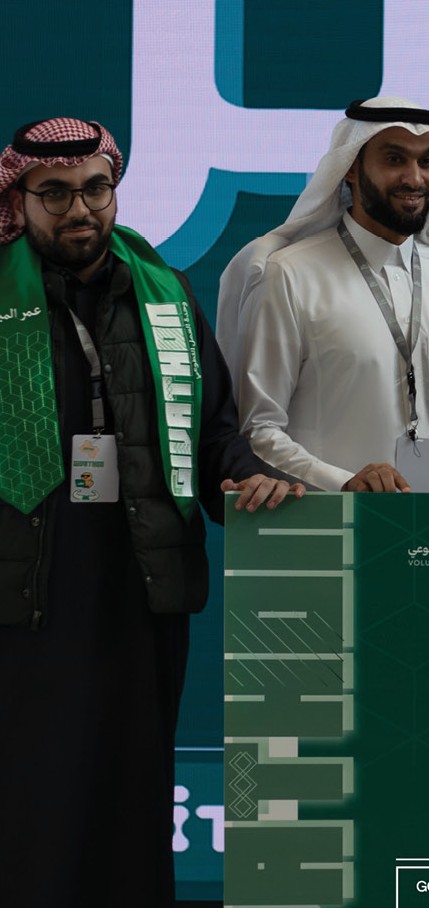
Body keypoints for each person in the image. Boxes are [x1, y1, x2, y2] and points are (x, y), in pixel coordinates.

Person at [0, 117, 302, 906]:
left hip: (138, 591)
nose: (79, 210)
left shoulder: (164, 293)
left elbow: (215, 434)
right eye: (54, 193)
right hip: (26, 598)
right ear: (18, 200)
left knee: (131, 801)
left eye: (95, 189)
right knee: (30, 803)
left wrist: (247, 480)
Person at [219, 97, 429, 493]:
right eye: (394, 159)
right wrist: (344, 484)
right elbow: (258, 430)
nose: (415, 179)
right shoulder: (290, 276)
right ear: (351, 168)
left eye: (426, 161)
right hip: (331, 526)